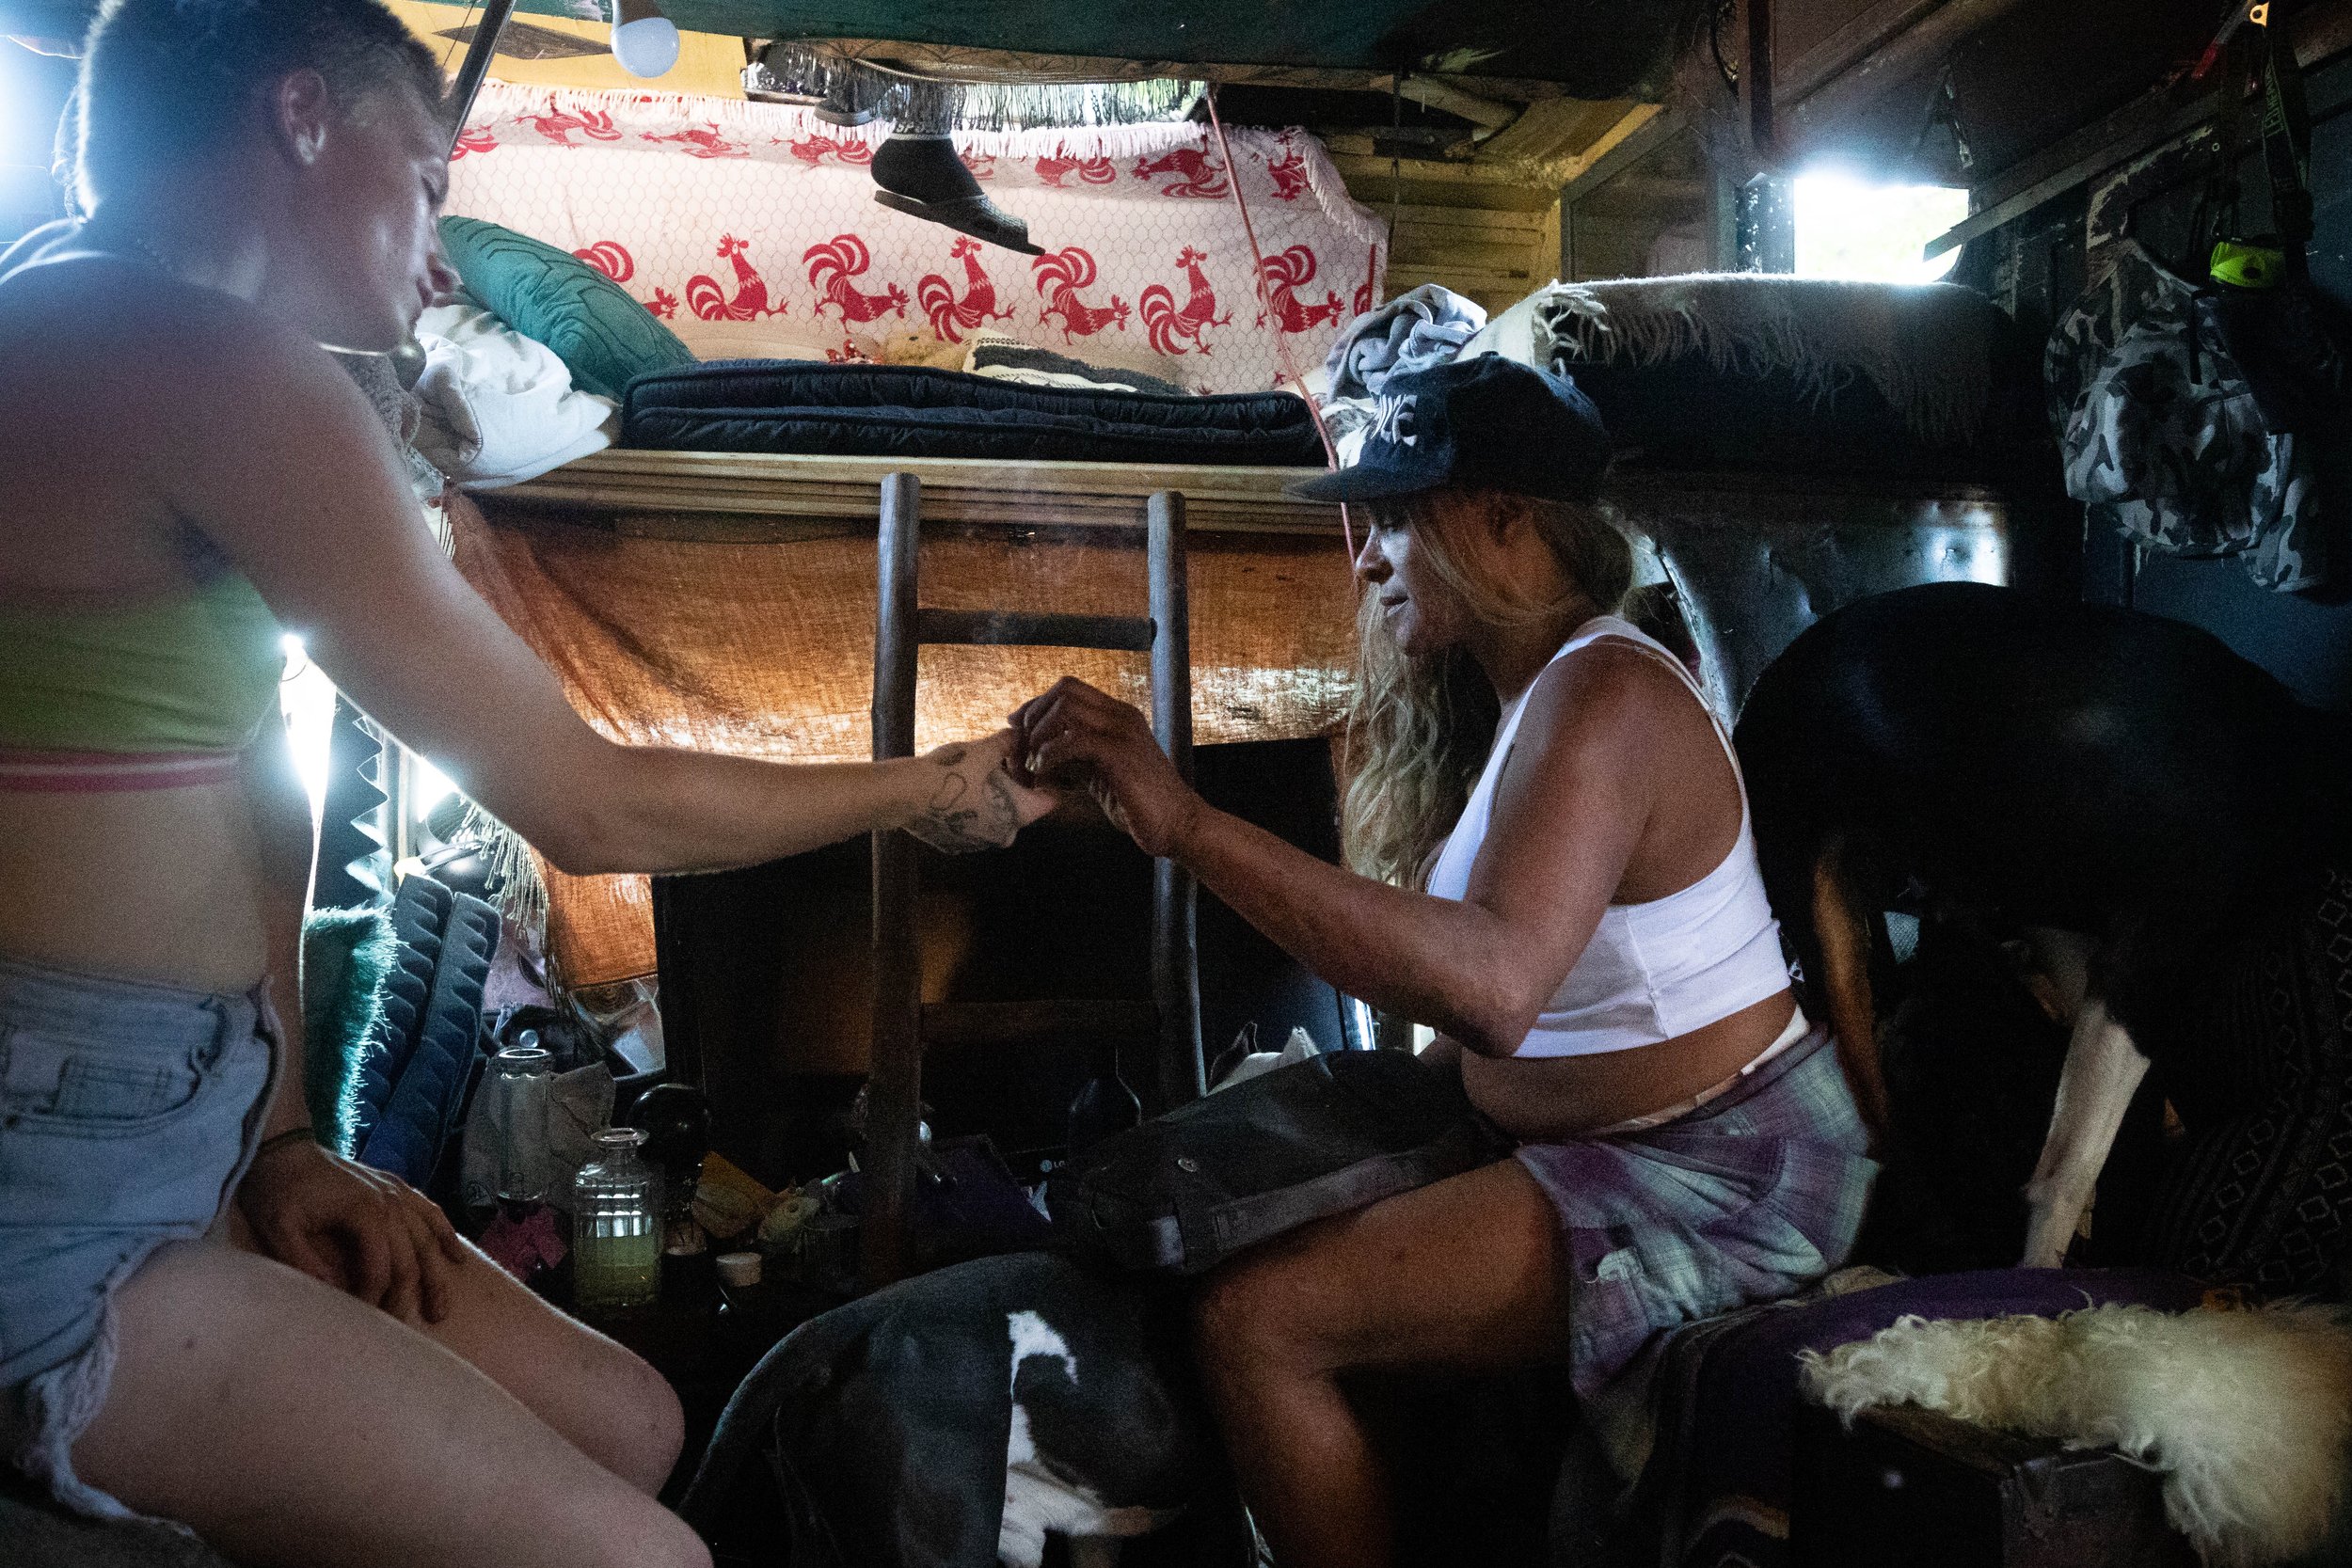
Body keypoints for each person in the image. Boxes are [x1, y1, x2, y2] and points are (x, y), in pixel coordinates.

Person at [0, 4, 1051, 1564]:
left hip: (169, 1112)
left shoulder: (76, 323)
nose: (437, 253)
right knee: (645, 1553)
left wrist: (285, 1141)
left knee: (631, 1421)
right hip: (58, 1193)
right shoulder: (198, 359)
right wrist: (920, 783)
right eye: (427, 180)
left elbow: (245, 798)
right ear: (302, 117)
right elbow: (586, 806)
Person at [1015, 356, 1878, 1568]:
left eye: (1397, 522)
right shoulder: (1540, 699)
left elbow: (1490, 988)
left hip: (1719, 1170)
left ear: (1504, 520)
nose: (1367, 559)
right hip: (1600, 1148)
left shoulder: (1610, 697)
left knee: (1261, 1322)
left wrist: (1192, 825)